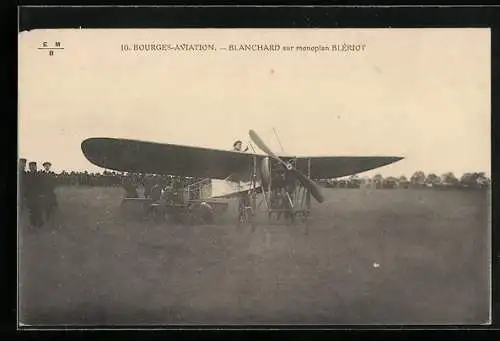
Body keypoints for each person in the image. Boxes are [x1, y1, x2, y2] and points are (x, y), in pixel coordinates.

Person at [25, 161, 44, 228]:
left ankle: (39, 223)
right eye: (31, 166)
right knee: (31, 210)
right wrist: (26, 196)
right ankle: (33, 224)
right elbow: (26, 186)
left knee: (37, 210)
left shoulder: (39, 175)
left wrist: (41, 194)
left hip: (37, 195)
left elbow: (41, 185)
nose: (32, 167)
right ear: (29, 167)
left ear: (35, 167)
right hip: (30, 196)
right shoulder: (28, 175)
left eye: (33, 166)